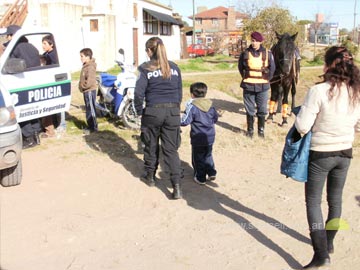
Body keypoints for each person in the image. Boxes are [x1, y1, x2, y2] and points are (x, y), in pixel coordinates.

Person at [295, 46, 360, 268]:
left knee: (313, 201)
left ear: (329, 64)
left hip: (320, 154)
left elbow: (303, 126)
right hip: (345, 153)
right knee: (336, 200)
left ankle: (321, 254)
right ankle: (329, 243)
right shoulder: (356, 91)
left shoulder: (319, 91)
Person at [134, 37, 183, 200]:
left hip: (153, 112)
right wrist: (175, 109)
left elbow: (138, 93)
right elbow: (179, 92)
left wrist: (139, 110)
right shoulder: (174, 67)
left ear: (149, 51)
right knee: (171, 150)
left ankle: (150, 176)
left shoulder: (145, 68)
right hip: (173, 112)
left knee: (151, 145)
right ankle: (176, 186)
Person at [2, 24, 42, 149]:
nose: (7, 38)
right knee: (33, 109)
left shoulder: (15, 47)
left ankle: (29, 138)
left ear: (13, 35)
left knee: (21, 111)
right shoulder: (32, 47)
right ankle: (36, 135)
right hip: (35, 82)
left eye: (8, 36)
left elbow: (9, 65)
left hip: (19, 82)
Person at [238, 31, 275, 138]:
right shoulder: (245, 53)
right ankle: (250, 131)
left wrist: (266, 79)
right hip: (248, 85)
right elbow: (241, 68)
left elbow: (272, 69)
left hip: (263, 87)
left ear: (261, 42)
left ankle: (261, 131)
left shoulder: (268, 54)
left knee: (262, 109)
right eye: (253, 41)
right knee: (249, 109)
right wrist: (247, 77)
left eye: (256, 41)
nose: (254, 43)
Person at [181, 82, 218, 185]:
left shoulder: (192, 107)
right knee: (208, 154)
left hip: (197, 137)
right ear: (205, 93)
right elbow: (215, 118)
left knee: (198, 157)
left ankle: (200, 177)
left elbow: (185, 121)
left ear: (192, 94)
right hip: (210, 136)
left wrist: (176, 121)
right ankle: (211, 172)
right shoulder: (211, 105)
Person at [40, 34, 58, 138]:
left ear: (51, 44)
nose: (43, 45)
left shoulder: (52, 55)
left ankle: (53, 129)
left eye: (45, 43)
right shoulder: (47, 54)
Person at [78, 48, 98, 134]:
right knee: (88, 108)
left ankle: (94, 127)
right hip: (86, 91)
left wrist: (83, 86)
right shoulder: (85, 66)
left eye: (82, 56)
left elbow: (89, 81)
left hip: (89, 91)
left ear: (88, 57)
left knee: (91, 109)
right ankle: (90, 125)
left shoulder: (90, 67)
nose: (81, 58)